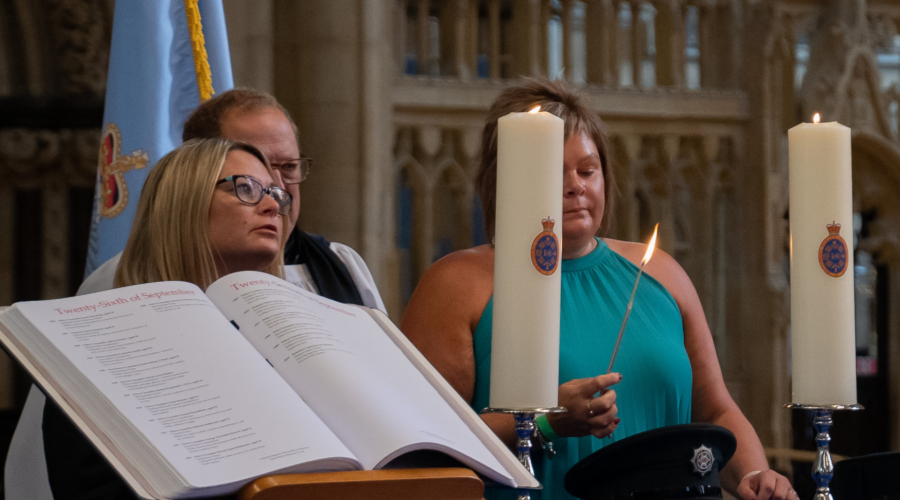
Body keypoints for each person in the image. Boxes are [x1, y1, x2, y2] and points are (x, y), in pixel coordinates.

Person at [400, 79, 796, 500]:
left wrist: (756, 474)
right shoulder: (458, 283)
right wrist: (547, 421)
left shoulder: (661, 273)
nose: (577, 186)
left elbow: (715, 410)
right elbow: (424, 439)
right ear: (505, 181)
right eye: (553, 171)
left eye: (587, 170)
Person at [6, 138, 292, 500]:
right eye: (246, 189)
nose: (271, 206)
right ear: (183, 204)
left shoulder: (281, 346)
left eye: (276, 194)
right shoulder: (104, 346)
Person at [79, 88, 386, 313]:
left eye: (289, 167)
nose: (278, 192)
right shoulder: (121, 283)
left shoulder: (340, 265)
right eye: (250, 182)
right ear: (194, 175)